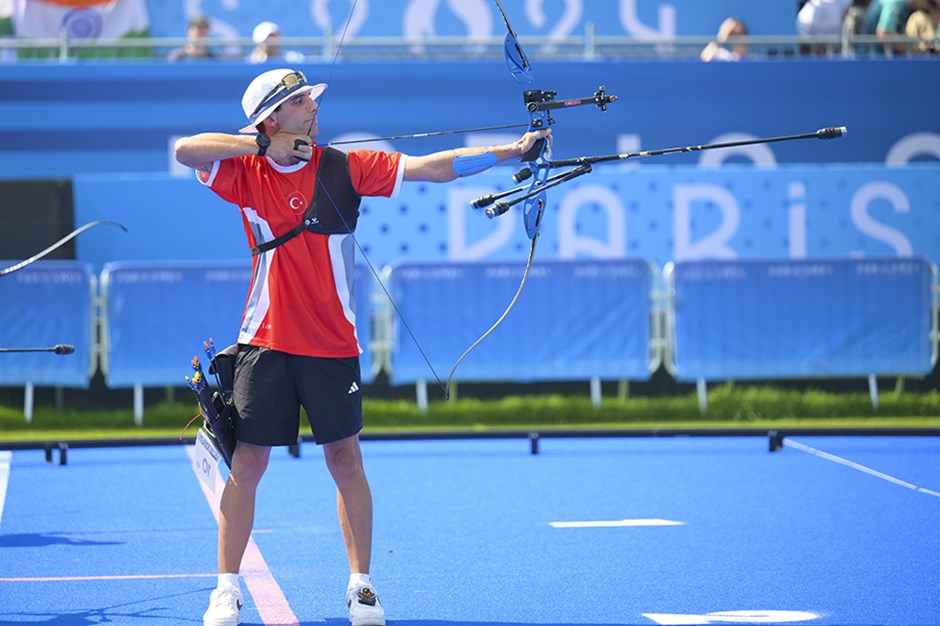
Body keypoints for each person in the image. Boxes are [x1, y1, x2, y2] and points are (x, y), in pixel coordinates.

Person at [174, 68, 551, 626]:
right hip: (264, 341)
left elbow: (432, 167)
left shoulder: (344, 166)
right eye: (301, 101)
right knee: (248, 461)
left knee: (345, 460)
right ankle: (226, 589)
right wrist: (261, 143)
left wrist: (510, 150)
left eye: (310, 99)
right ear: (272, 117)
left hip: (332, 343)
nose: (313, 108)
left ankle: (361, 588)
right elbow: (185, 149)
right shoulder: (244, 170)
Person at [860, 0, 933, 54]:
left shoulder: (909, 9)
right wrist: (912, 49)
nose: (927, 4)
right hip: (871, 59)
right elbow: (883, 34)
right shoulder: (896, 2)